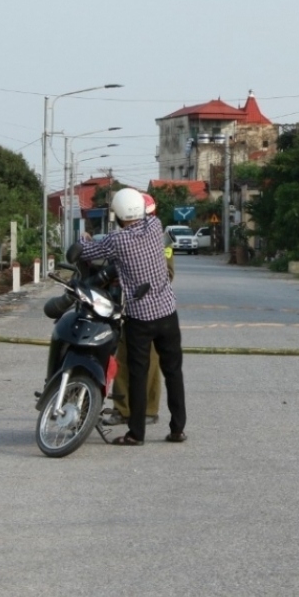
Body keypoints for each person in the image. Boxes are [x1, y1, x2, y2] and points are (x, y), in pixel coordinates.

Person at [78, 188, 186, 445]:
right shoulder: (155, 225)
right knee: (173, 372)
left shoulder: (118, 240)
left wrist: (83, 238)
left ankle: (136, 433)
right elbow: (146, 214)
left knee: (138, 374)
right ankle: (177, 429)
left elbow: (89, 252)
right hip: (168, 313)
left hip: (140, 318)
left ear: (118, 215)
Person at [104, 193, 174, 427]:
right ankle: (122, 409)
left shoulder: (162, 239)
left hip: (152, 308)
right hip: (123, 308)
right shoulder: (118, 238)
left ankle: (149, 410)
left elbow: (168, 273)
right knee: (122, 358)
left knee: (151, 362)